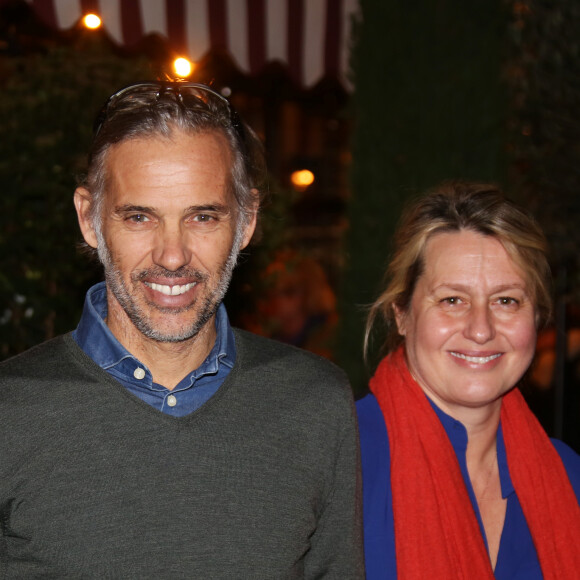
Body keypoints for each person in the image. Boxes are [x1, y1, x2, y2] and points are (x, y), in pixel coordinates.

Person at [0, 81, 364, 578]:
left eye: (202, 216)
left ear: (247, 220)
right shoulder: (10, 413)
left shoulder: (315, 403)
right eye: (139, 217)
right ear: (89, 219)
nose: (172, 256)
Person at [357, 181, 580, 579]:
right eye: (452, 300)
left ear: (537, 318)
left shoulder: (568, 476)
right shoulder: (338, 459)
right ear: (402, 315)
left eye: (506, 300)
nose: (481, 329)